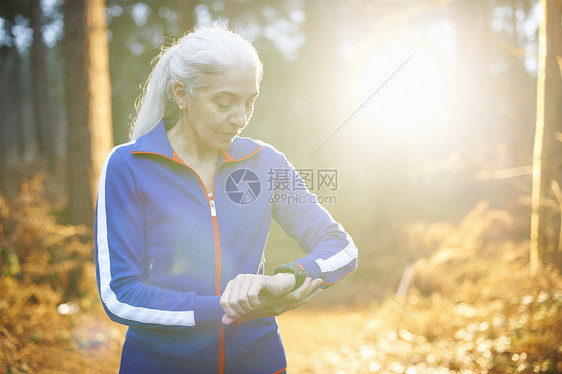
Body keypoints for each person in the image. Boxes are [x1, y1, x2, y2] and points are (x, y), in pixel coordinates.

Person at [95, 27, 358, 374]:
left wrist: (288, 277)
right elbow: (121, 295)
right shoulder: (128, 166)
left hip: (259, 362)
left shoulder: (266, 162)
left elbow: (339, 245)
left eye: (250, 101)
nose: (241, 118)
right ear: (181, 94)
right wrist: (223, 308)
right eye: (224, 102)